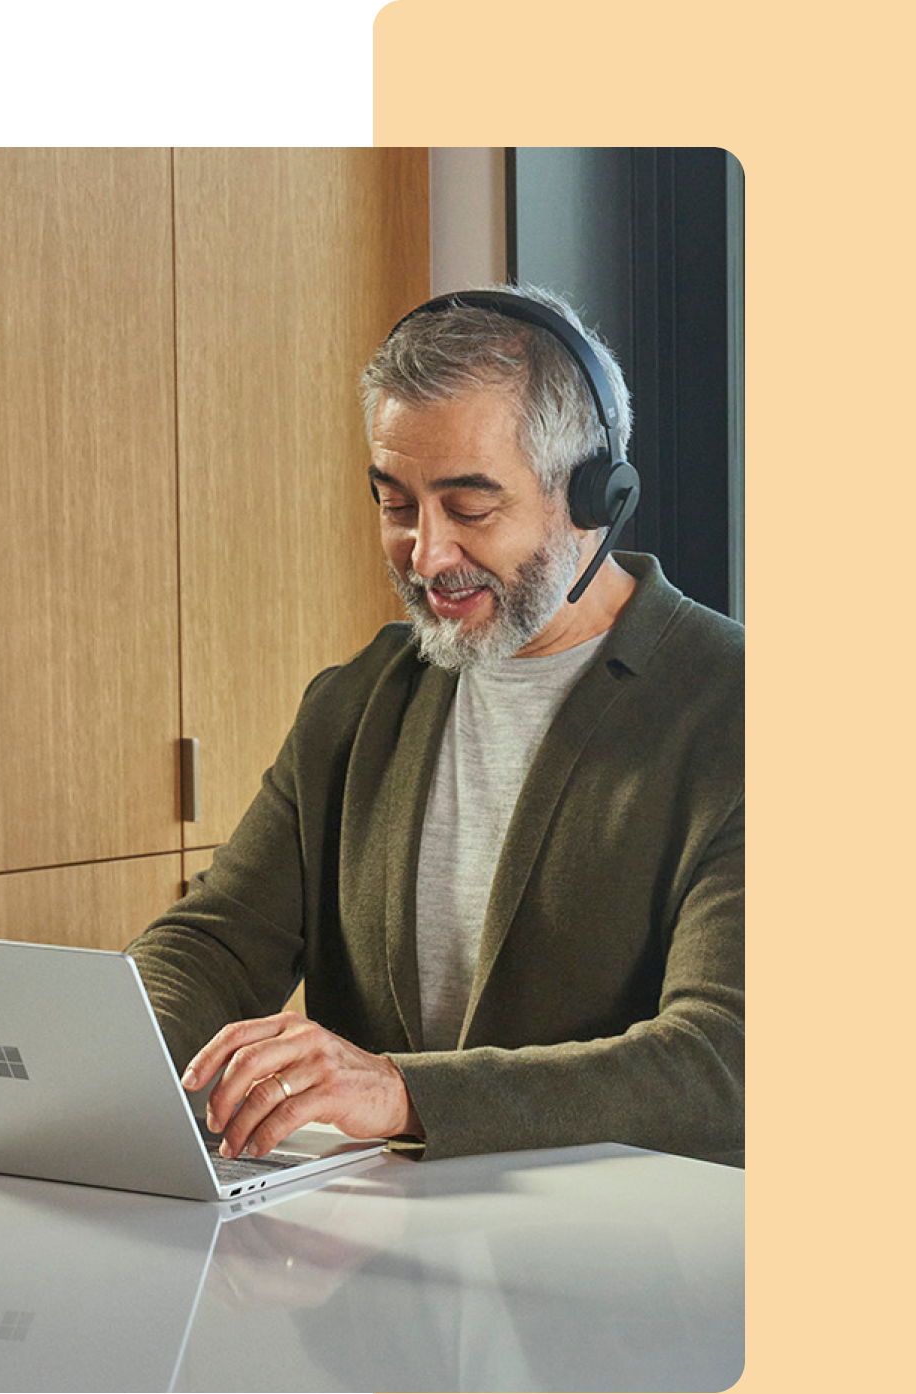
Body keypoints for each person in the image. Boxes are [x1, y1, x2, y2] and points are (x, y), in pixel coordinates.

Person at [128, 283, 744, 1167]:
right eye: (396, 504)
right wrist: (111, 1052)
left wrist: (403, 1092)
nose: (427, 555)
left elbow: (728, 1061)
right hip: (386, 1272)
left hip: (636, 1279)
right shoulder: (359, 700)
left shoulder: (741, 709)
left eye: (470, 507)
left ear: (593, 499)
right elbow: (216, 941)